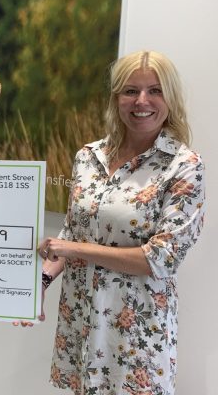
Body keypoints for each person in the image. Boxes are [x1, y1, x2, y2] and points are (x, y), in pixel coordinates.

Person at [36, 50, 205, 395]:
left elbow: (159, 258)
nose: (142, 101)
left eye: (155, 90)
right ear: (116, 98)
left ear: (170, 98)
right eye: (131, 91)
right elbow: (72, 231)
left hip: (136, 334)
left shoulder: (184, 166)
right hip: (82, 319)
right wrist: (40, 281)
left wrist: (72, 247)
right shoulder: (88, 157)